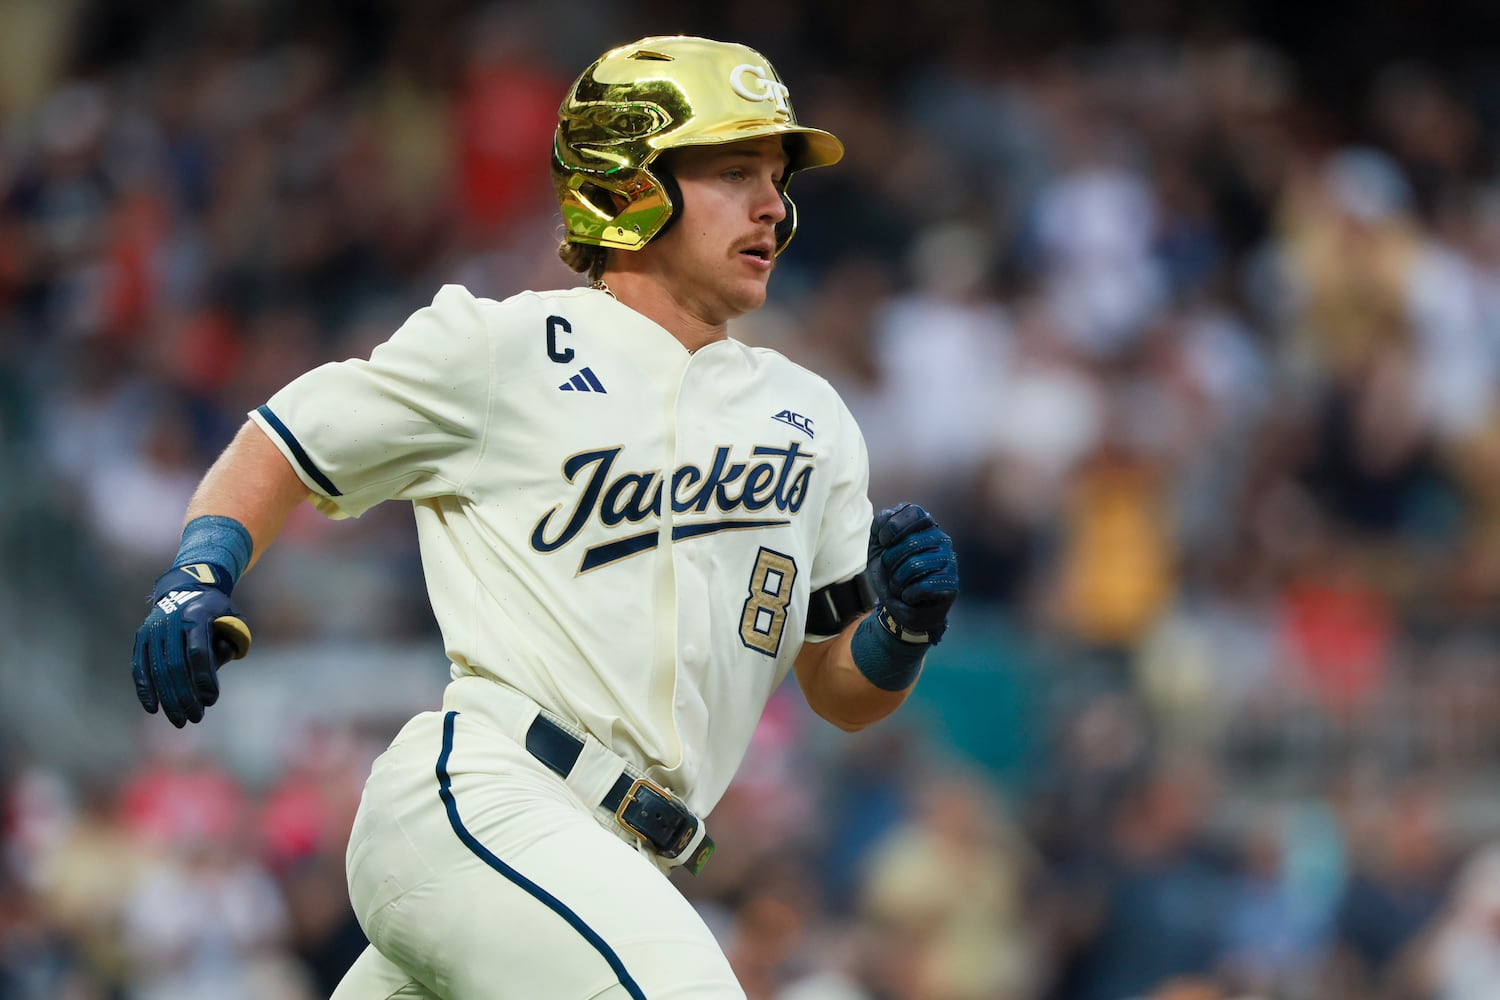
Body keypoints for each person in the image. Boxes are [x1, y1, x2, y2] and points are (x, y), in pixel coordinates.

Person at [129, 34, 959, 999]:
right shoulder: (506, 347)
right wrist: (199, 571)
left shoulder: (811, 416)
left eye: (776, 177)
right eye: (734, 171)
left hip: (620, 866)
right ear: (629, 182)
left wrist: (900, 630)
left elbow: (835, 684)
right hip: (491, 800)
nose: (774, 204)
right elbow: (285, 440)